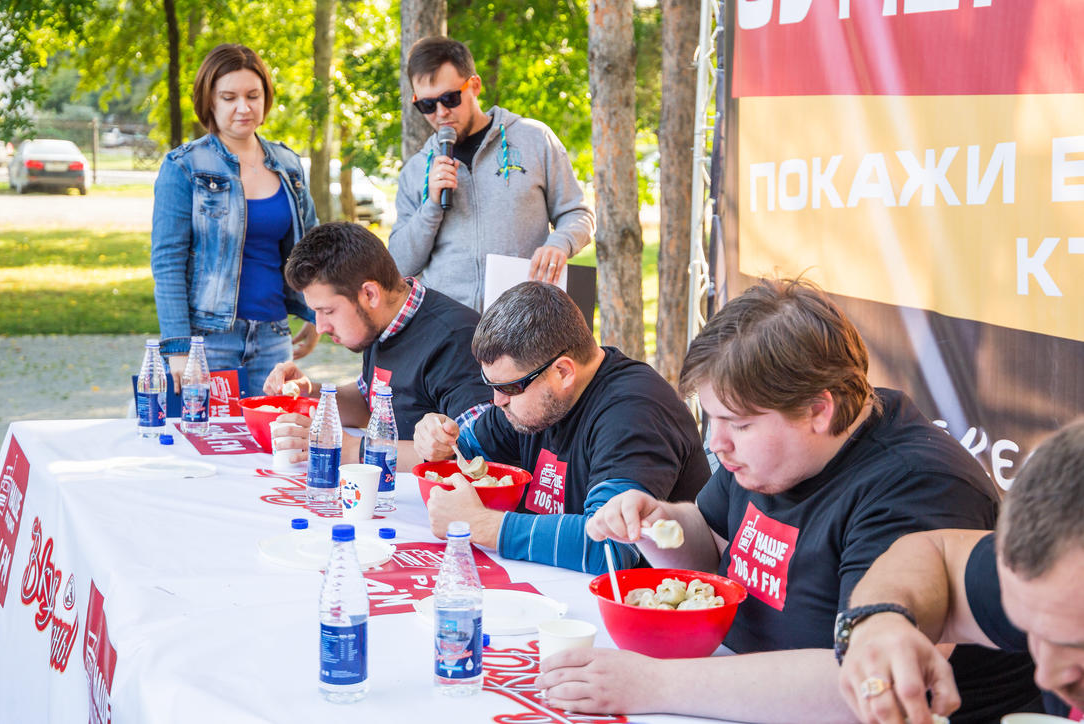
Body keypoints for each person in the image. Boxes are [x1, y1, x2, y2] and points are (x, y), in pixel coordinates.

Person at [536, 277, 1038, 723]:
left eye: (740, 423)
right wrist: (656, 523)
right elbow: (712, 540)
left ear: (819, 409)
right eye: (713, 419)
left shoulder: (920, 487)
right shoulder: (770, 454)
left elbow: (865, 687)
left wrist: (651, 684)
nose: (717, 443)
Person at [412, 281, 709, 574]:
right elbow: (464, 453)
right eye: (490, 384)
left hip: (641, 607)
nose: (497, 400)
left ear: (563, 372)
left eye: (509, 387)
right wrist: (437, 439)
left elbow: (612, 546)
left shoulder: (635, 411)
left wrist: (481, 525)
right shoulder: (534, 400)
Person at [838, 419, 1084, 724]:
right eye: (1029, 630)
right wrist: (879, 624)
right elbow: (939, 557)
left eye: (1076, 645)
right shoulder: (1057, 585)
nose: (1045, 676)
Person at [151, 43, 319, 395]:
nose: (243, 108)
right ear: (209, 101)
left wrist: (317, 316)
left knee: (273, 446)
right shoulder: (184, 167)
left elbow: (313, 252)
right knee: (204, 445)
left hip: (274, 340)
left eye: (252, 95)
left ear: (266, 98)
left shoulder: (289, 165)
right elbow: (167, 262)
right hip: (208, 343)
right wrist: (178, 347)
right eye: (229, 97)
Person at [388, 36, 595, 311]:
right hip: (452, 331)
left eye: (450, 98)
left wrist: (560, 243)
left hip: (525, 321)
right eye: (426, 105)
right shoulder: (416, 170)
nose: (440, 113)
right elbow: (400, 264)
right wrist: (431, 206)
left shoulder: (534, 139)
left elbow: (578, 214)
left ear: (474, 86)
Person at [263, 221, 492, 468]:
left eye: (327, 311)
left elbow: (479, 449)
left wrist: (352, 449)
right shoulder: (380, 324)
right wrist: (311, 392)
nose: (320, 327)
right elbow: (368, 403)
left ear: (370, 294)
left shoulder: (455, 337)